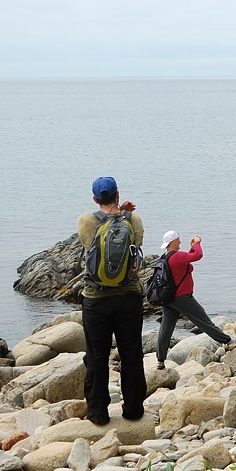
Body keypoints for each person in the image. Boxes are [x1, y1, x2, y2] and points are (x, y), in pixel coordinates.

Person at [76, 176, 146, 426]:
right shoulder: (134, 219)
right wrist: (123, 215)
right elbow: (135, 248)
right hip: (129, 297)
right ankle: (134, 410)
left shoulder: (87, 220)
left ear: (95, 199)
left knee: (96, 356)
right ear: (118, 194)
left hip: (96, 298)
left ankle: (98, 413)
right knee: (131, 353)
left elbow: (88, 247)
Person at [154, 231, 235, 370]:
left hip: (168, 299)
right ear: (172, 242)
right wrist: (197, 243)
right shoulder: (178, 256)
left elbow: (187, 258)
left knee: (165, 329)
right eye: (178, 240)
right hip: (182, 298)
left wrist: (192, 247)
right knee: (203, 321)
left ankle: (160, 361)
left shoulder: (165, 257)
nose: (180, 242)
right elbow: (198, 255)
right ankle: (228, 341)